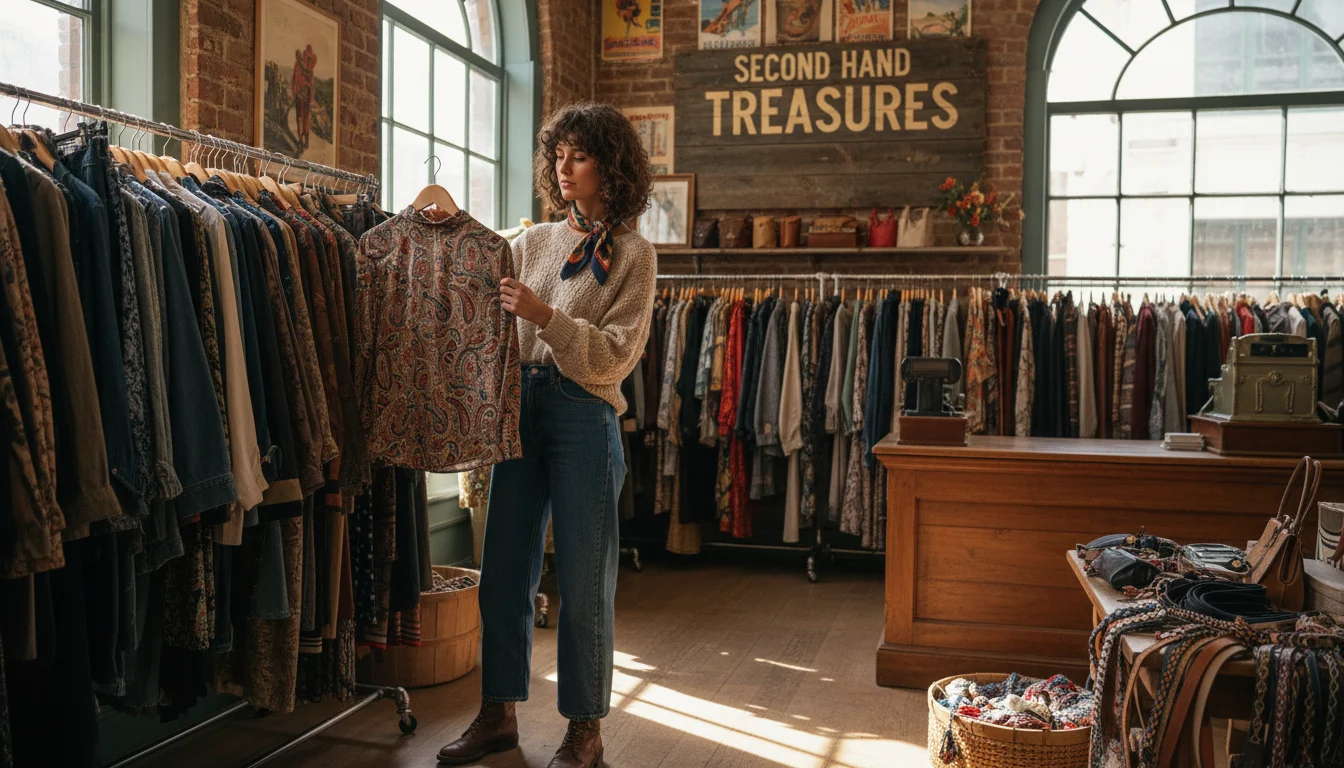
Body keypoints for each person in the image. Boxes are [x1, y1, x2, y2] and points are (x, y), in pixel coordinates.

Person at [436, 103, 656, 768]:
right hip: (519, 409)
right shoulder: (529, 243)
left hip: (585, 413)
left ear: (609, 166)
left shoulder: (635, 256)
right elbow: (476, 291)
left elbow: (615, 357)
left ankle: (584, 731)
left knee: (586, 581)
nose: (563, 168)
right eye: (557, 155)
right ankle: (496, 714)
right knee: (502, 571)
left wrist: (545, 319)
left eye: (579, 156)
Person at [292, 44, 317, 149]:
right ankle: (303, 141)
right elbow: (308, 84)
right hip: (304, 96)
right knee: (304, 118)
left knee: (301, 118)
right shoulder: (309, 71)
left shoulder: (298, 66)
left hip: (301, 96)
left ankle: (302, 140)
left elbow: (296, 80)